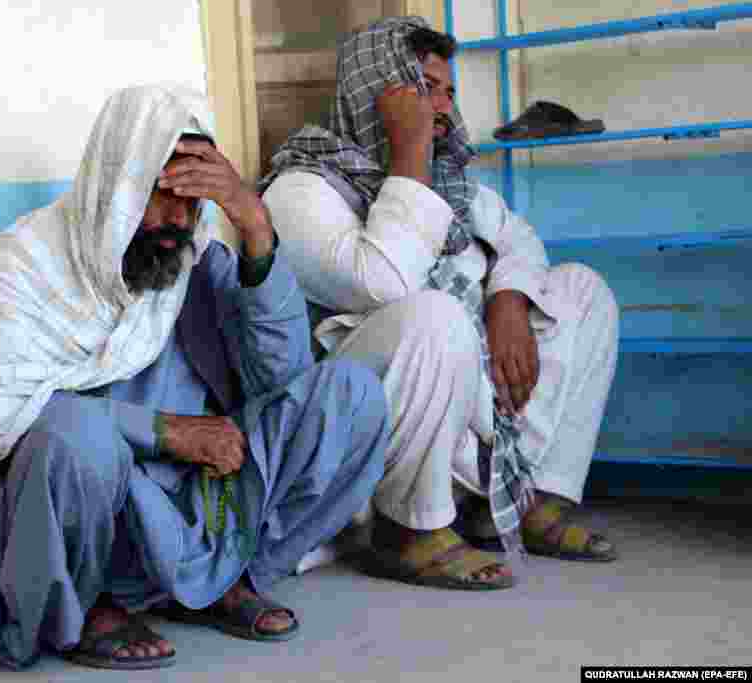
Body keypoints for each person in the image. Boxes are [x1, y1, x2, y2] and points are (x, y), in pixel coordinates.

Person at [0, 84, 389, 671]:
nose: (178, 220)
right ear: (116, 185)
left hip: (200, 497)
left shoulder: (196, 258)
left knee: (350, 396)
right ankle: (88, 602)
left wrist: (255, 230)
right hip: (100, 509)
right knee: (74, 436)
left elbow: (286, 377)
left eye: (193, 202)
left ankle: (216, 577)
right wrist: (166, 432)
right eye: (161, 195)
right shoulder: (28, 261)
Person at [259, 18, 620, 591]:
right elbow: (385, 284)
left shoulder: (454, 184)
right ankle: (410, 528)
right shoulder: (302, 190)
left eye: (447, 91)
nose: (443, 108)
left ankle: (535, 499)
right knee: (432, 314)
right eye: (423, 89)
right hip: (384, 416)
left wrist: (507, 299)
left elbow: (519, 240)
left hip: (474, 393)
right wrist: (410, 152)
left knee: (581, 288)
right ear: (373, 91)